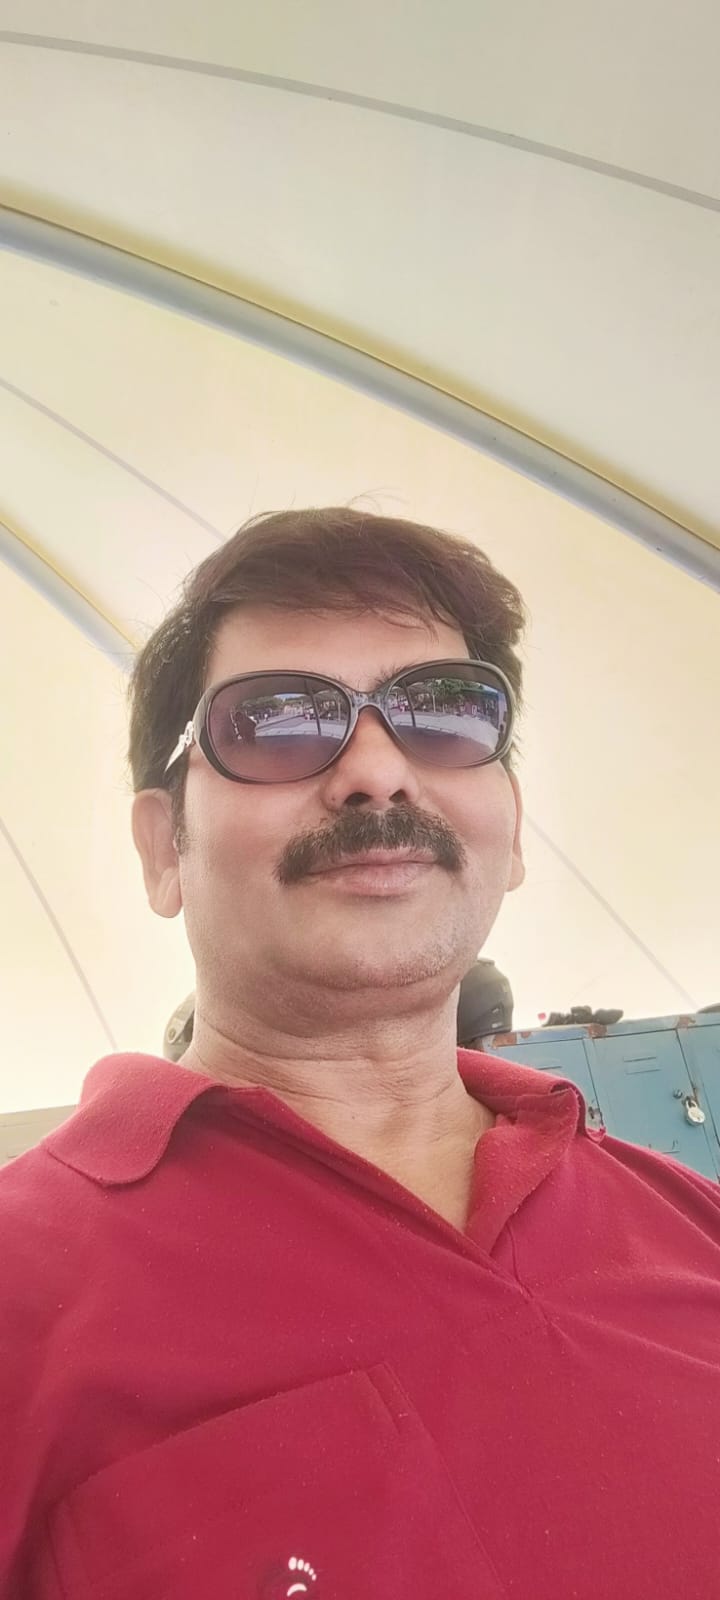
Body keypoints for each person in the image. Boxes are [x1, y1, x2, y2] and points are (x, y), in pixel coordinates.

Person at [1, 507, 719, 1600]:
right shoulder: (24, 1288)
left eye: (447, 712)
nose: (378, 773)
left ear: (511, 830)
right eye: (278, 721)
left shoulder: (693, 1224)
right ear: (163, 849)